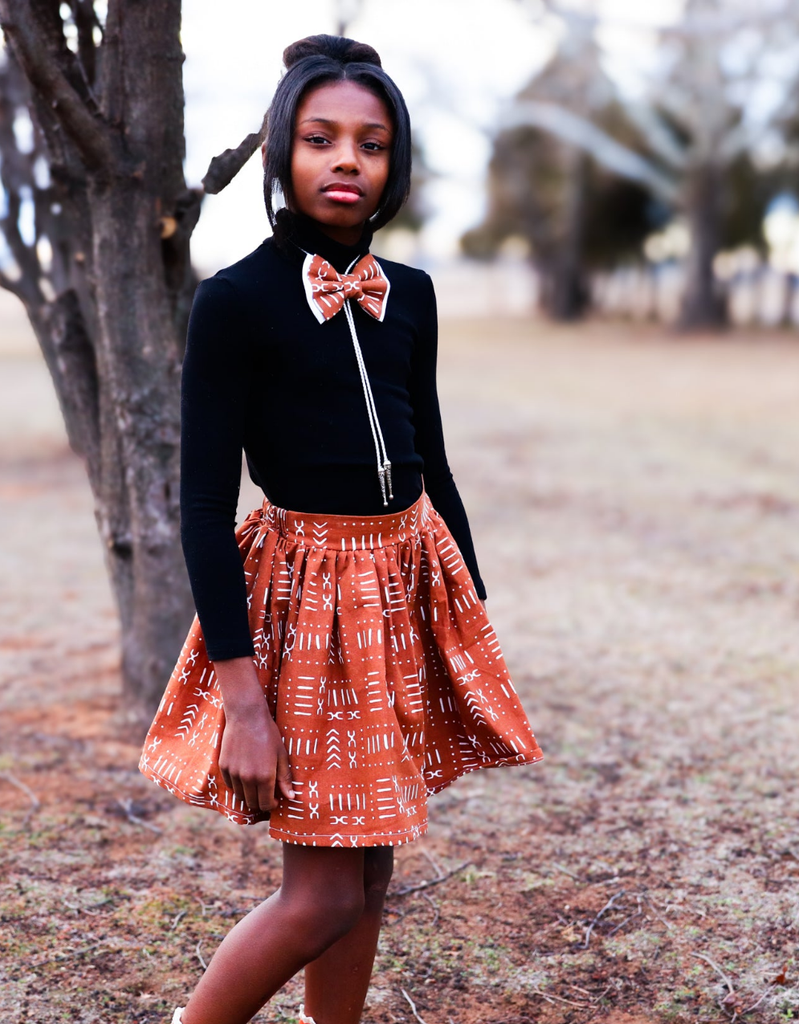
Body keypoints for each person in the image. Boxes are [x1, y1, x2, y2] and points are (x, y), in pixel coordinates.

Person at [139, 33, 543, 1024]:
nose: (347, 161)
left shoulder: (414, 296)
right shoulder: (235, 302)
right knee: (318, 891)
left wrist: (466, 609)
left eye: (371, 142)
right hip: (307, 606)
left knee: (365, 880)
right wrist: (242, 697)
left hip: (401, 584)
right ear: (282, 152)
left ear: (394, 163)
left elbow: (430, 458)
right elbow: (202, 503)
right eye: (321, 139)